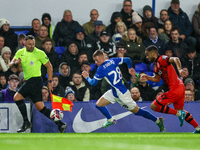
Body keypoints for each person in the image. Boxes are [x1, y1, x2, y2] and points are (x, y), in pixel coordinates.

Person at [82, 49, 165, 132]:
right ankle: (110, 120)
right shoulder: (113, 60)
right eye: (95, 60)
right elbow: (128, 59)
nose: (96, 62)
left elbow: (93, 83)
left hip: (122, 94)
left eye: (97, 60)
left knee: (137, 111)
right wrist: (130, 68)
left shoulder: (101, 69)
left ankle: (157, 120)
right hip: (114, 91)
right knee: (98, 105)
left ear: (102, 58)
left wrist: (87, 77)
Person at [9, 35, 67, 133]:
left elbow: (49, 66)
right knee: (40, 107)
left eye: (33, 44)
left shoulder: (39, 53)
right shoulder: (20, 52)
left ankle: (26, 122)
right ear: (24, 43)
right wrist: (15, 63)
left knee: (17, 97)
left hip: (35, 80)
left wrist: (49, 81)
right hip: (29, 81)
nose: (31, 46)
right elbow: (10, 64)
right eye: (29, 44)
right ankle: (60, 124)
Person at [142, 45, 200, 133]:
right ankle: (198, 128)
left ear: (153, 53)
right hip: (179, 87)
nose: (147, 57)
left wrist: (180, 70)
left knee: (154, 106)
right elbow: (157, 79)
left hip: (175, 88)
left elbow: (175, 59)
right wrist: (148, 77)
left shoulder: (162, 59)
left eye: (147, 55)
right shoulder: (156, 65)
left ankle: (179, 114)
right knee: (180, 110)